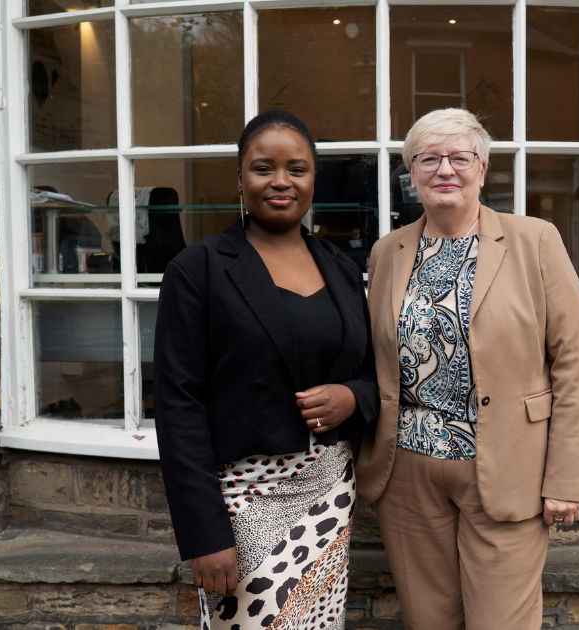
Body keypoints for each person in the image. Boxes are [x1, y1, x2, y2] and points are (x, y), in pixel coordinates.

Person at [358, 108, 579, 629]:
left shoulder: (535, 240)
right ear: (411, 172)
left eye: (460, 158)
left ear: (482, 169)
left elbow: (574, 363)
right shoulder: (387, 251)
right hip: (407, 470)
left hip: (507, 467)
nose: (445, 169)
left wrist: (566, 478)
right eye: (428, 159)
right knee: (428, 621)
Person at [153, 109, 378, 629]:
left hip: (327, 491)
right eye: (263, 168)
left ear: (313, 180)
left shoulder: (341, 267)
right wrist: (205, 534)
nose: (281, 181)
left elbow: (371, 373)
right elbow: (178, 405)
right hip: (241, 500)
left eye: (297, 169)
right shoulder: (198, 269)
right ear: (240, 178)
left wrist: (351, 397)